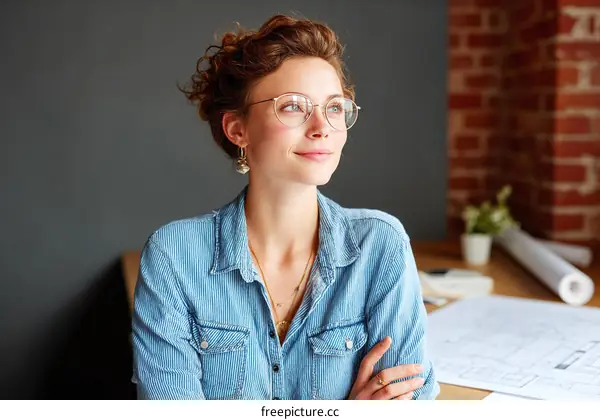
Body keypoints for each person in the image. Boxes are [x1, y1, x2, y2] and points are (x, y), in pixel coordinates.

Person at [132, 14, 439, 401]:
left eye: (334, 107)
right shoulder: (174, 257)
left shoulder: (381, 246)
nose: (322, 127)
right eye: (293, 107)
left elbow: (409, 404)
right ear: (237, 129)